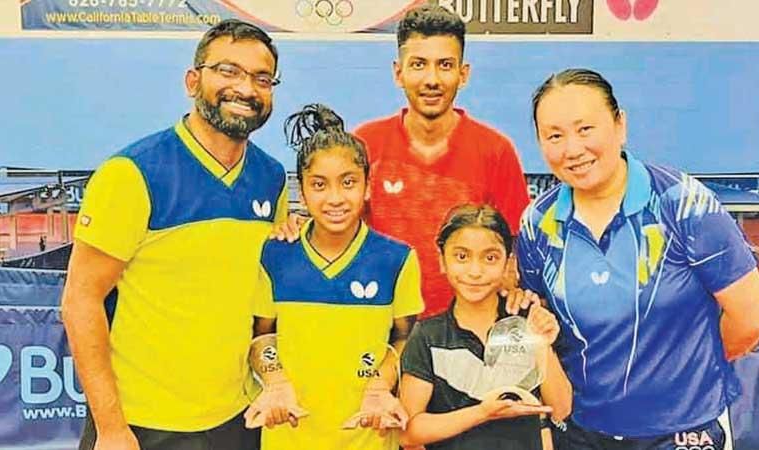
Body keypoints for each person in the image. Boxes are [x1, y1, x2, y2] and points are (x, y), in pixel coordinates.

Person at [514, 68, 759, 449]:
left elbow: (754, 315)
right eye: (554, 136)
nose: (572, 149)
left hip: (682, 432)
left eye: (585, 129)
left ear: (620, 125)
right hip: (583, 433)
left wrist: (688, 372)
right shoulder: (538, 224)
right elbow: (543, 329)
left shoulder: (682, 203)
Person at [60, 19, 287, 450]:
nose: (245, 88)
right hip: (142, 424)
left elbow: (260, 291)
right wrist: (110, 428)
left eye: (261, 78)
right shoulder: (131, 174)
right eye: (228, 71)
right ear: (193, 80)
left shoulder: (271, 178)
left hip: (236, 419)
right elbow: (80, 300)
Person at [276, 5, 530, 318]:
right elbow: (335, 220)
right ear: (399, 72)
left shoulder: (496, 150)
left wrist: (513, 281)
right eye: (419, 64)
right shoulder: (365, 143)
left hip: (463, 331)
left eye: (445, 65)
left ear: (463, 74)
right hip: (380, 321)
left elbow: (516, 246)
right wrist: (298, 225)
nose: (432, 79)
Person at [244, 104, 425, 450]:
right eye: (319, 185)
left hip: (367, 439)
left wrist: (378, 387)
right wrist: (275, 381)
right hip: (289, 439)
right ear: (303, 190)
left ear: (368, 187)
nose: (335, 198)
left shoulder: (397, 259)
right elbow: (262, 337)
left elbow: (406, 338)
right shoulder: (276, 255)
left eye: (348, 183)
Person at [399, 204, 572, 450]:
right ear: (442, 260)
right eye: (462, 256)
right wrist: (483, 412)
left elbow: (561, 409)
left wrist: (541, 343)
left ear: (508, 262)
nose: (475, 271)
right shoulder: (428, 336)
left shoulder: (527, 322)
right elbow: (409, 433)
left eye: (490, 258)